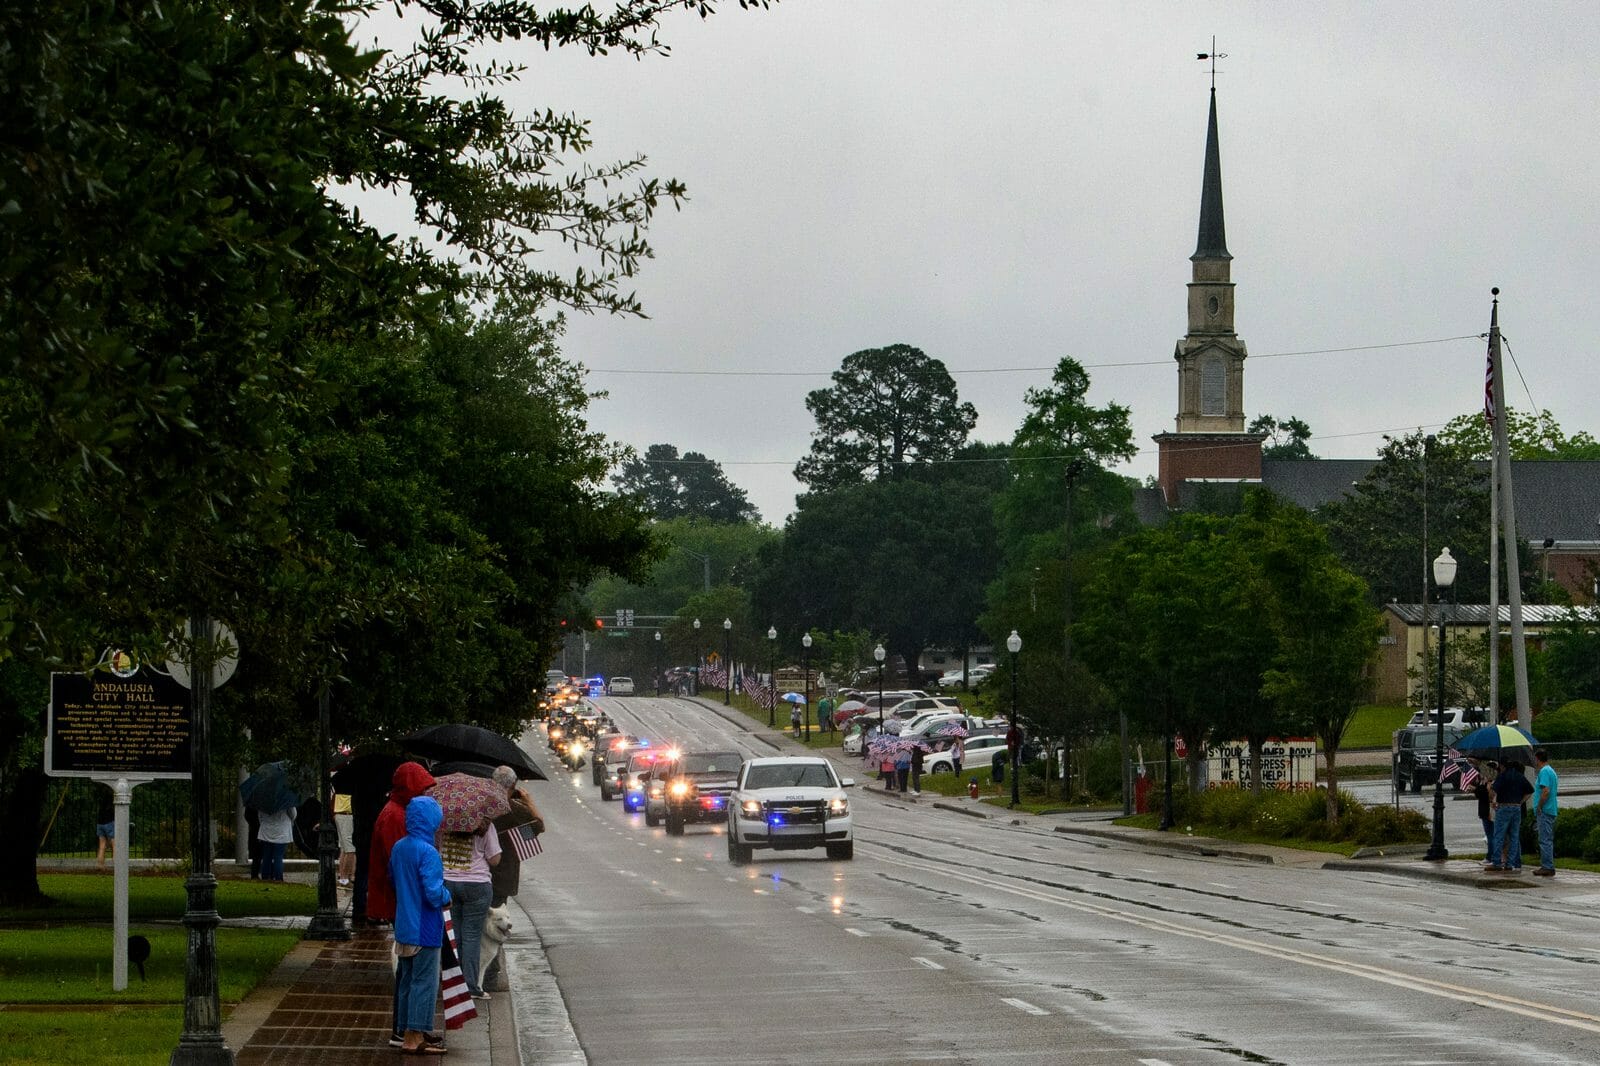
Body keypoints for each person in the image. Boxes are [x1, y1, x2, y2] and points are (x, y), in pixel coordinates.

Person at [368, 761, 437, 1047]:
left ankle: (407, 1028)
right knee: (418, 974)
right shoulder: (398, 818)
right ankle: (409, 1030)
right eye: (422, 789)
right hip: (411, 909)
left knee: (409, 972)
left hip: (403, 904)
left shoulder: (396, 814)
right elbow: (411, 875)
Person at [390, 795, 451, 1056]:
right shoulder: (428, 852)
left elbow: (394, 880)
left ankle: (405, 1032)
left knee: (406, 981)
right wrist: (447, 896)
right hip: (424, 926)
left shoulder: (399, 847)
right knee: (424, 982)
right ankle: (415, 1037)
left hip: (403, 922)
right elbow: (433, 892)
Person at [441, 816, 501, 1000]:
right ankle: (471, 986)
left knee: (455, 935)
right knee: (472, 936)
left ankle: (453, 984)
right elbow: (494, 859)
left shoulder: (443, 823)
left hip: (448, 882)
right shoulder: (485, 823)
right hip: (477, 885)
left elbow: (436, 850)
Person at [1486, 759, 1531, 873]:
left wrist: (1492, 800)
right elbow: (1530, 791)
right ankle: (1511, 863)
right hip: (1516, 807)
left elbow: (1492, 792)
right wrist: (1520, 802)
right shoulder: (1519, 776)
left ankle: (1496, 862)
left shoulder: (1503, 776)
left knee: (1499, 835)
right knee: (1514, 836)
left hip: (1504, 807)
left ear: (1502, 766)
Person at [1533, 748, 1559, 877]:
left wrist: (1539, 806)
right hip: (1551, 809)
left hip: (1545, 810)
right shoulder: (1551, 771)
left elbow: (1545, 791)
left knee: (1544, 839)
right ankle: (1547, 865)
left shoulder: (1544, 772)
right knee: (1547, 838)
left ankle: (1547, 866)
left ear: (1538, 758)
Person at [257, 804, 295, 882]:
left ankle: (265, 877)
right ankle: (278, 878)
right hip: (281, 830)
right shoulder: (286, 798)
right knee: (278, 856)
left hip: (266, 831)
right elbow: (293, 814)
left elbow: (260, 816)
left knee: (266, 856)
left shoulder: (263, 799)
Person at [1473, 761, 1495, 861]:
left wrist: (1476, 789)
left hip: (1487, 810)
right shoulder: (1483, 781)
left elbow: (1488, 796)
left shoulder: (1489, 783)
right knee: (1490, 834)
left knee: (1490, 834)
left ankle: (1491, 856)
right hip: (1484, 809)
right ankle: (1492, 855)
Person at [333, 790, 356, 886]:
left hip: (339, 814)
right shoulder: (351, 785)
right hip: (347, 814)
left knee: (343, 848)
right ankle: (344, 878)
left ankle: (342, 876)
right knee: (350, 849)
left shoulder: (340, 784)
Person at [95, 788, 115, 869]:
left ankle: (100, 865)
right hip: (109, 822)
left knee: (102, 845)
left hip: (100, 823)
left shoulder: (101, 798)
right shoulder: (112, 797)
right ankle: (117, 866)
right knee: (115, 845)